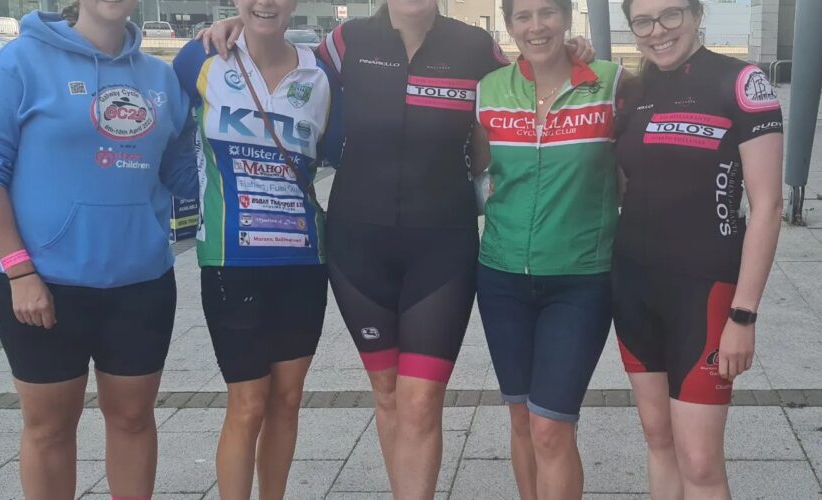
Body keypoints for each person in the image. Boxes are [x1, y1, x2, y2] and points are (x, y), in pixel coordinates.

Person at [200, 7, 593, 499]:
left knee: (421, 398)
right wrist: (232, 28)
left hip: (442, 250)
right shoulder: (346, 42)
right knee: (388, 396)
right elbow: (278, 58)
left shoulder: (473, 47)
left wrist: (572, 51)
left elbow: (532, 73)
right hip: (358, 251)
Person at [0, 1, 196, 498]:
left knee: (133, 419)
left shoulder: (159, 77)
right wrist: (20, 271)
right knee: (50, 429)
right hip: (42, 286)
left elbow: (183, 172)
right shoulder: (18, 62)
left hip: (141, 284)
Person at [613, 0, 783, 498]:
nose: (657, 31)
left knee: (702, 462)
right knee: (659, 440)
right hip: (633, 287)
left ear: (696, 13)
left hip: (705, 294)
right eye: (642, 20)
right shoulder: (631, 90)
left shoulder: (740, 82)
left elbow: (768, 206)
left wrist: (744, 316)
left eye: (671, 15)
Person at [172, 0, 342, 497]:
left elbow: (348, 150)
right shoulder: (199, 57)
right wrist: (197, 193)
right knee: (247, 403)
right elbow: (156, 131)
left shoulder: (323, 75)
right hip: (231, 261)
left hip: (303, 262)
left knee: (287, 401)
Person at [471, 0, 623, 498]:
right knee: (521, 419)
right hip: (501, 277)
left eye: (548, 13)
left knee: (551, 426)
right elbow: (481, 171)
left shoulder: (610, 82)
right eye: (523, 16)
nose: (536, 26)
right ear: (509, 24)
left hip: (580, 278)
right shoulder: (490, 89)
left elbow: (631, 175)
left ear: (567, 18)